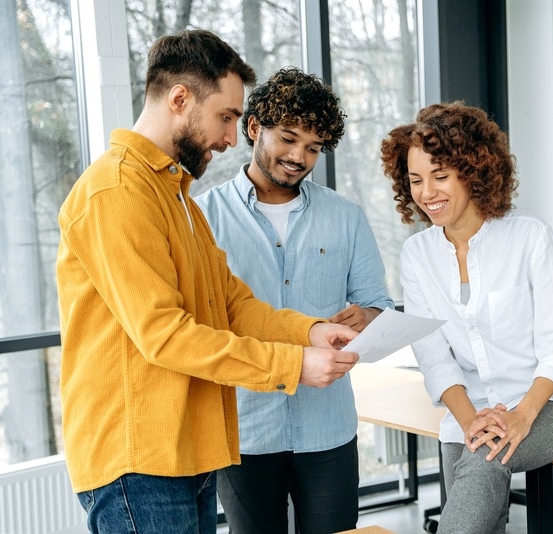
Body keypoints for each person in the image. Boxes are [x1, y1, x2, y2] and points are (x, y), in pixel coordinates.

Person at [56, 30, 360, 533]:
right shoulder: (115, 192)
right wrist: (292, 364)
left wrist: (308, 332)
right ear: (180, 99)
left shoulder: (177, 197)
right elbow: (165, 334)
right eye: (226, 117)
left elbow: (231, 302)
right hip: (139, 461)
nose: (228, 137)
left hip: (187, 451)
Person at [380, 101, 553, 534]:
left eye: (440, 176)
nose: (427, 193)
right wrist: (471, 422)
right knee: (474, 467)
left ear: (473, 172)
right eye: (416, 180)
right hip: (469, 412)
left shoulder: (529, 238)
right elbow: (435, 358)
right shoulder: (417, 255)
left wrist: (519, 415)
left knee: (481, 459)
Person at [195, 66, 393, 534]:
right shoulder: (203, 216)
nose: (298, 156)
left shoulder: (346, 216)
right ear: (253, 128)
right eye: (288, 138)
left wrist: (368, 315)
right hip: (244, 429)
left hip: (327, 429)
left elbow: (378, 305)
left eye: (313, 148)